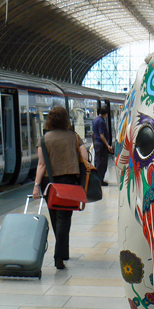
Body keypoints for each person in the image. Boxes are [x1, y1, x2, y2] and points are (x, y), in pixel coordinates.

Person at [32, 106, 88, 270]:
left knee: (55, 218)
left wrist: (36, 186)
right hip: (69, 182)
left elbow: (41, 165)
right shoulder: (74, 137)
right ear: (66, 120)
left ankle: (62, 252)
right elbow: (84, 157)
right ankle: (60, 255)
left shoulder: (44, 139)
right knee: (65, 218)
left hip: (49, 184)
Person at [91, 106, 113, 185]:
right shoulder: (101, 122)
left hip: (96, 143)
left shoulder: (94, 120)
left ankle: (97, 179)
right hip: (101, 144)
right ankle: (100, 180)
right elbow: (101, 135)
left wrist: (94, 143)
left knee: (97, 162)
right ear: (106, 114)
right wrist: (108, 145)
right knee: (102, 163)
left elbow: (92, 133)